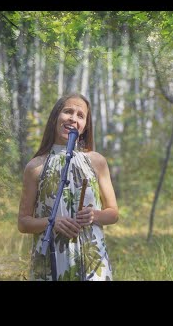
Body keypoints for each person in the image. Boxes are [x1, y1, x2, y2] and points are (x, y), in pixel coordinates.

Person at [18, 93, 119, 281]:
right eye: (68, 112)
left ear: (85, 126)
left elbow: (113, 213)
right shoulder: (35, 167)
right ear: (56, 117)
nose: (73, 118)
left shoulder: (97, 161)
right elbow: (23, 223)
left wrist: (94, 215)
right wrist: (52, 222)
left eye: (80, 115)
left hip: (92, 259)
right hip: (50, 260)